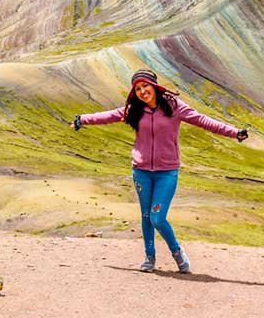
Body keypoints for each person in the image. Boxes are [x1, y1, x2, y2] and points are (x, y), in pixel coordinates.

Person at [71, 69, 248, 273]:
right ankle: (149, 258)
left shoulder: (174, 106)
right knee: (146, 216)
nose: (142, 91)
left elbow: (203, 120)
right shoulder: (134, 110)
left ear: (154, 86)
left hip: (167, 172)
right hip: (141, 171)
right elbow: (109, 115)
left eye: (145, 86)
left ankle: (177, 252)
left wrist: (234, 132)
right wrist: (82, 119)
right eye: (137, 88)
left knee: (158, 218)